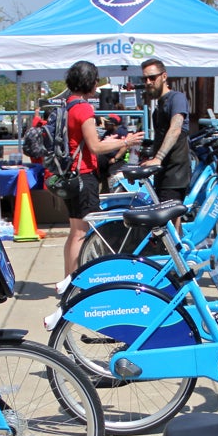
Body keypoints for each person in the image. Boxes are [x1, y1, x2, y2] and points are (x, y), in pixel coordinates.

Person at [60, 61, 144, 276]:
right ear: (89, 81)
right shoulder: (83, 108)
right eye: (96, 79)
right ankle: (75, 281)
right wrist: (126, 142)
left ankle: (68, 280)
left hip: (69, 175)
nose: (97, 84)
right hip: (83, 175)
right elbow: (95, 146)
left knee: (75, 231)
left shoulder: (68, 104)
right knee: (82, 232)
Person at [140, 58, 191, 205]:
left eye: (152, 77)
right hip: (163, 174)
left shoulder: (177, 98)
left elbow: (175, 129)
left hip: (175, 175)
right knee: (171, 224)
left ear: (164, 76)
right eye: (145, 79)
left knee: (168, 221)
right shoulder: (159, 107)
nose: (148, 82)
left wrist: (158, 158)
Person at [96, 113, 130, 185]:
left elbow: (125, 146)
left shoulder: (121, 131)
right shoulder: (107, 132)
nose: (105, 125)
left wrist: (115, 158)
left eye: (107, 123)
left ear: (113, 124)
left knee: (112, 173)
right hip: (104, 159)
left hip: (117, 160)